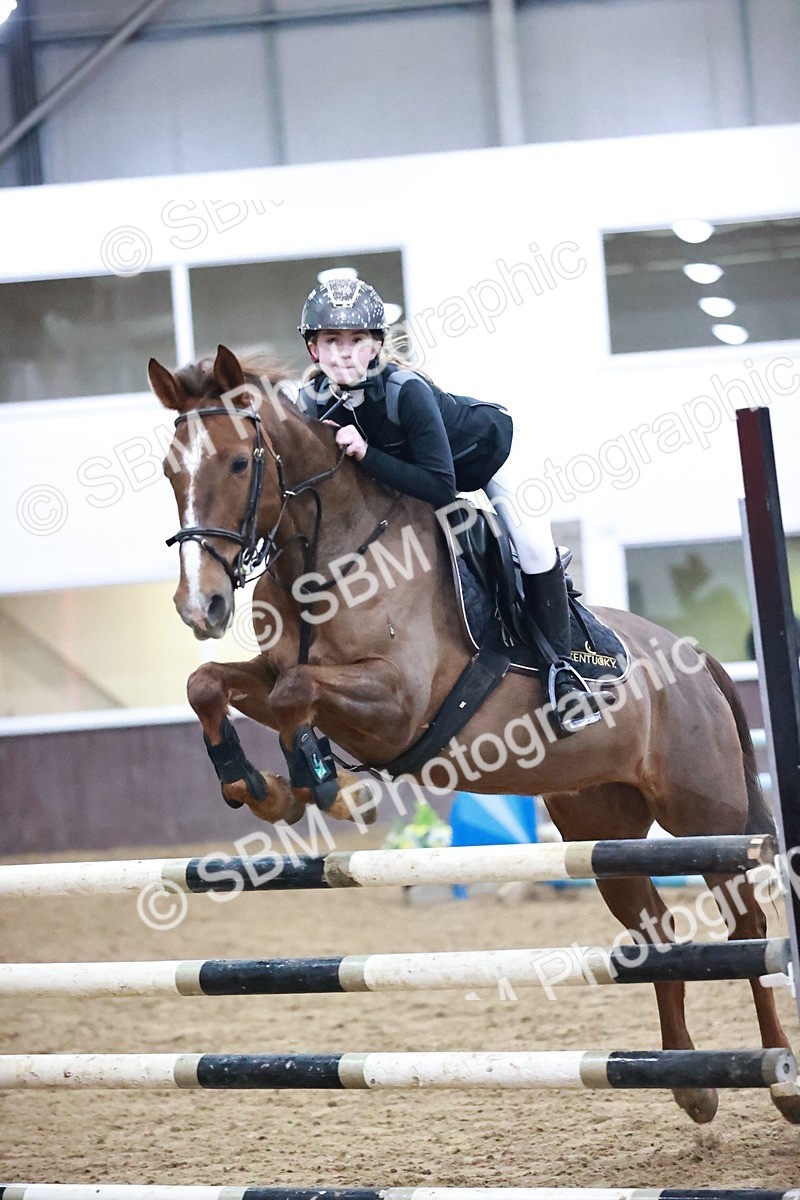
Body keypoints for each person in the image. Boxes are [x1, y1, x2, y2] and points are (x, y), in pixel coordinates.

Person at [296, 275, 600, 736]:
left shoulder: (406, 389)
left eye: (357, 340)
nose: (343, 352)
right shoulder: (314, 401)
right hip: (416, 483)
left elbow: (442, 487)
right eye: (331, 341)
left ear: (376, 345)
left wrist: (367, 454)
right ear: (313, 350)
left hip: (487, 459)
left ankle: (565, 674)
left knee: (535, 549)